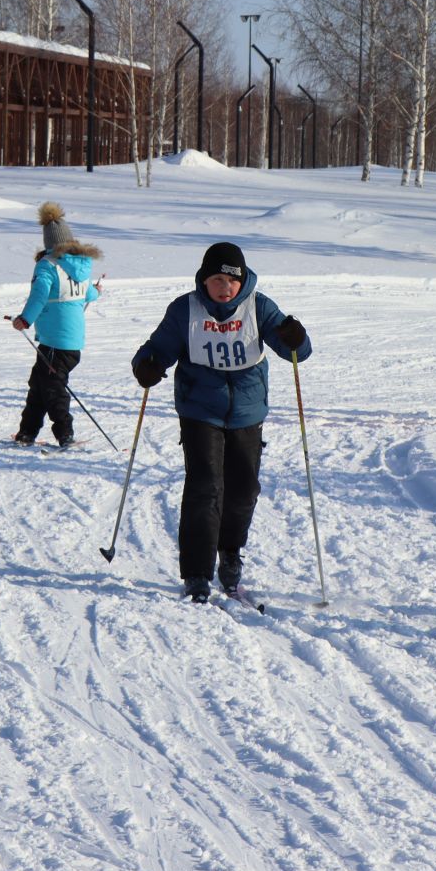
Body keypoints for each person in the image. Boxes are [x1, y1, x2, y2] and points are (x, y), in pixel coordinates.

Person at [131, 241, 309, 602]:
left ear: (242, 281)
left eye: (232, 281)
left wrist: (295, 338)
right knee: (205, 486)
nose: (225, 288)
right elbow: (157, 348)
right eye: (217, 280)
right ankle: (196, 573)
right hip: (200, 408)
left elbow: (296, 352)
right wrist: (147, 365)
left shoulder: (259, 306)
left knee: (244, 489)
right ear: (204, 280)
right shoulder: (186, 309)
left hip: (247, 410)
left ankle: (229, 553)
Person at [12, 202, 102, 448]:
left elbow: (39, 295)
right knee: (39, 386)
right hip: (72, 344)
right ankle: (26, 433)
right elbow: (90, 295)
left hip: (54, 342)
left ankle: (65, 435)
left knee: (52, 389)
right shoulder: (81, 266)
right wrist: (96, 291)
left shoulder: (48, 265)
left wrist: (25, 319)